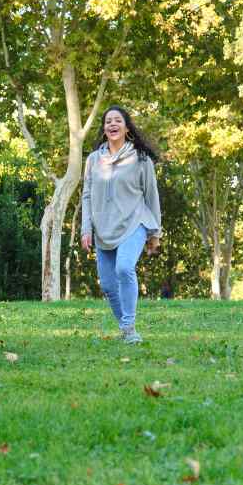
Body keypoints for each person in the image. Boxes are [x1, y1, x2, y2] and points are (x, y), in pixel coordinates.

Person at [80, 106, 162, 344]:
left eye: (118, 121)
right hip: (104, 228)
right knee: (107, 285)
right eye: (108, 122)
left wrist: (155, 231)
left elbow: (151, 195)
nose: (112, 124)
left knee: (124, 268)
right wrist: (87, 229)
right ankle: (126, 328)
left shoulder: (140, 158)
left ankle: (129, 327)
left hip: (135, 222)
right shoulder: (93, 160)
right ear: (104, 129)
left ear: (127, 128)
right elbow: (86, 195)